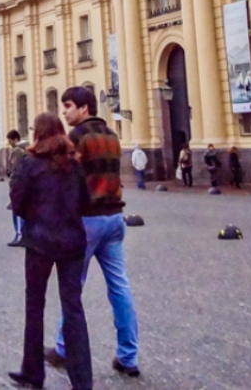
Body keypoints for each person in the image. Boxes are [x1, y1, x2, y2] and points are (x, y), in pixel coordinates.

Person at [50, 86, 142, 379]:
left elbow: (63, 177)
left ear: (84, 109)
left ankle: (64, 348)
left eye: (68, 106)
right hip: (115, 218)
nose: (63, 111)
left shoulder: (76, 137)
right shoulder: (112, 137)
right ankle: (128, 355)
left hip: (88, 220)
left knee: (72, 286)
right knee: (119, 286)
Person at [8, 112, 94, 390]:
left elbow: (17, 203)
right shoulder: (75, 164)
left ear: (38, 134)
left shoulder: (30, 164)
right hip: (72, 242)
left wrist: (35, 216)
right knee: (73, 308)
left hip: (39, 242)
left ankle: (32, 372)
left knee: (35, 306)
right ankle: (82, 380)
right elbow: (85, 202)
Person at [5, 130, 27, 247]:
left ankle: (19, 235)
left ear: (15, 139)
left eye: (10, 141)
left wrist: (11, 177)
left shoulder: (17, 151)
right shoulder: (26, 148)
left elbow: (14, 169)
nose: (9, 143)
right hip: (23, 185)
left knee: (17, 210)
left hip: (17, 185)